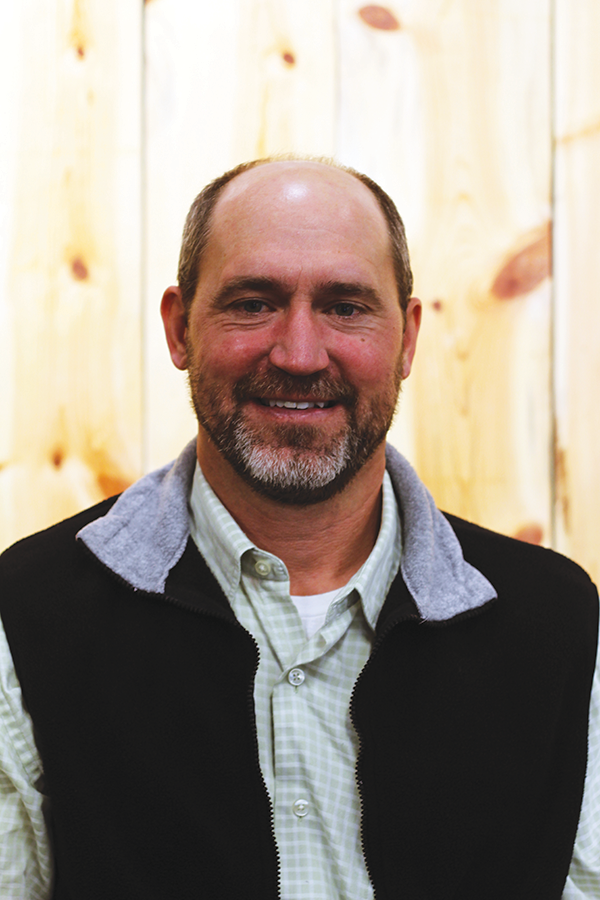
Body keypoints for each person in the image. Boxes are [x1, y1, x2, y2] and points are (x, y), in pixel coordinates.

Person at [0, 157, 598, 900]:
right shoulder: (28, 615)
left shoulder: (560, 626)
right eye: (253, 303)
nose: (300, 355)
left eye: (346, 307)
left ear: (408, 340)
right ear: (179, 329)